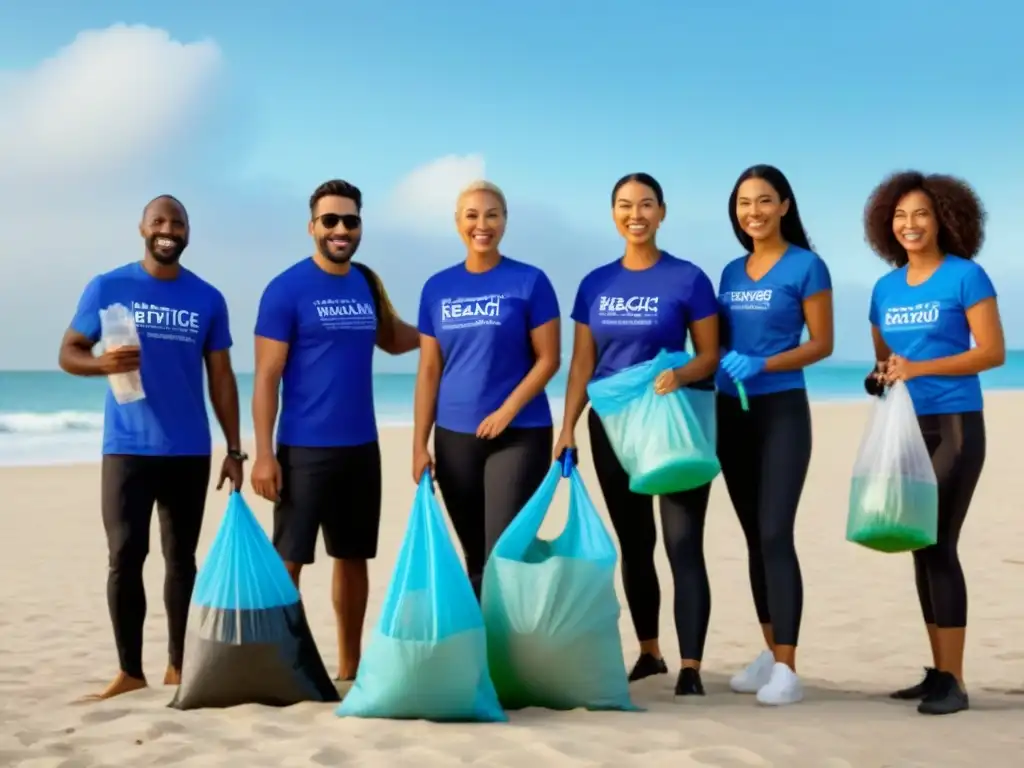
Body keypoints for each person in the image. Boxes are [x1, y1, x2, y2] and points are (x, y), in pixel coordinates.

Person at [58, 195, 244, 701]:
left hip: (188, 448)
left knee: (182, 560)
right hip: (127, 448)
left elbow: (222, 377)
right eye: (158, 220)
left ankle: (179, 666)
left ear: (188, 232)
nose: (168, 228)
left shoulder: (207, 297)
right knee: (125, 556)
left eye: (177, 221)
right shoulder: (109, 286)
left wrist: (235, 447)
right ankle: (129, 670)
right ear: (142, 227)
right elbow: (69, 352)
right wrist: (105, 365)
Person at [554, 173, 720, 696]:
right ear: (613, 215)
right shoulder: (595, 284)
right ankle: (649, 652)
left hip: (672, 424)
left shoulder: (688, 278)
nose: (636, 214)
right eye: (625, 206)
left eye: (646, 205)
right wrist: (567, 428)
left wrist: (682, 374)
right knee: (635, 544)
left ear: (662, 212)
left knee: (682, 543)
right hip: (613, 428)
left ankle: (691, 665)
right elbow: (582, 363)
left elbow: (711, 353)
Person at [250, 179, 420, 682]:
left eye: (350, 220)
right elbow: (265, 377)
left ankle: (350, 666)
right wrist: (263, 453)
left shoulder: (366, 283)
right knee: (290, 561)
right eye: (331, 220)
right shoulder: (285, 289)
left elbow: (393, 338)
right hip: (304, 448)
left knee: (353, 557)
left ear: (360, 226)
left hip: (361, 448)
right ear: (312, 228)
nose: (341, 229)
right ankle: (286, 665)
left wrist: (448, 336)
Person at [862, 171, 1004, 716]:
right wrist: (881, 376)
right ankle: (939, 670)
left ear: (945, 218)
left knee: (940, 543)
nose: (909, 225)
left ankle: (957, 681)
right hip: (906, 430)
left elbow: (990, 352)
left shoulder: (966, 276)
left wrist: (919, 368)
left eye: (921, 214)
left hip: (955, 425)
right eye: (899, 216)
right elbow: (884, 358)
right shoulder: (885, 289)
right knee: (920, 546)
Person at [716, 165, 833, 706]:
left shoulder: (807, 266)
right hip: (732, 414)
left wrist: (764, 363)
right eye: (744, 203)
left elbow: (822, 343)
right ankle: (769, 651)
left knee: (774, 533)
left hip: (783, 412)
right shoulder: (730, 273)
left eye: (764, 201)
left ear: (785, 205)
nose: (753, 212)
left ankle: (788, 666)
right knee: (751, 538)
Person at [413, 180, 561, 597]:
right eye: (472, 215)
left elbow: (549, 359)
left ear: (505, 221)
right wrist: (418, 445)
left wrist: (505, 412)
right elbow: (428, 370)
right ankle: (483, 658)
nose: (483, 224)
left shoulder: (530, 281)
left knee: (503, 554)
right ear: (458, 223)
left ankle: (506, 655)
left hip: (519, 434)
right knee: (475, 559)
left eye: (492, 215)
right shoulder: (437, 287)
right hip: (455, 436)